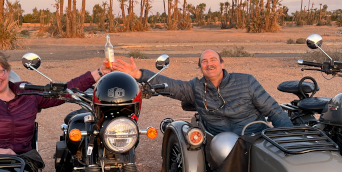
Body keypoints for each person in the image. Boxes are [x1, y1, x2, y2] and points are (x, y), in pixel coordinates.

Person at [0, 51, 111, 158]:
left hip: (22, 161)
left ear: (7, 71)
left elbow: (64, 91)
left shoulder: (26, 92)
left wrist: (99, 72)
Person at [113, 49, 292, 136]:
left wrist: (289, 136)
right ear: (200, 67)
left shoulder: (247, 81)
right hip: (218, 141)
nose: (209, 64)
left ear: (222, 64)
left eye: (213, 60)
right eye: (204, 61)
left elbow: (273, 110)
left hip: (253, 136)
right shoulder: (195, 87)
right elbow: (172, 86)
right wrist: (139, 74)